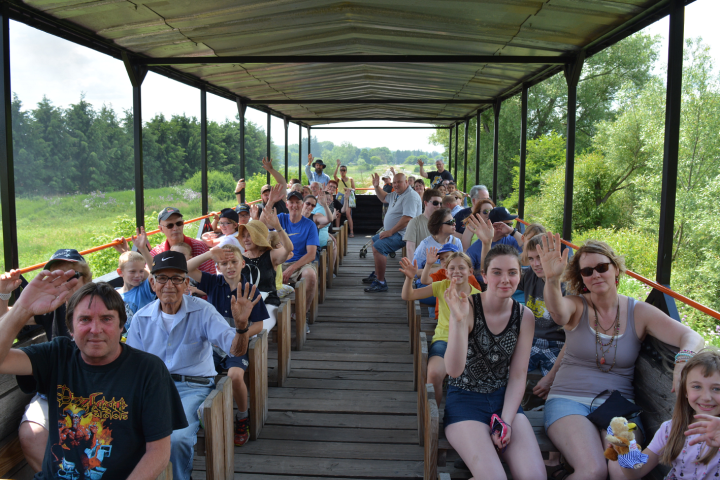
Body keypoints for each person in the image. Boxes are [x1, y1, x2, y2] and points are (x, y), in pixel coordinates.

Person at [537, 233, 705, 480]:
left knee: (625, 469)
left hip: (618, 409)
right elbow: (558, 313)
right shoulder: (576, 305)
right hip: (568, 401)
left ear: (615, 269)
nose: (595, 274)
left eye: (602, 267)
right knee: (593, 470)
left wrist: (683, 359)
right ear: (581, 278)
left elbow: (692, 337)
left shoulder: (639, 312)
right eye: (587, 271)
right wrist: (551, 281)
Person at [0, 274, 187, 479]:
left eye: (106, 319)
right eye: (85, 319)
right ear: (70, 329)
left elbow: (158, 452)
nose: (95, 330)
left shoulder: (149, 371)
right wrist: (22, 309)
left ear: (121, 325)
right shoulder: (57, 355)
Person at [126, 251, 256, 480]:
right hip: (152, 389)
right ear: (152, 282)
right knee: (123, 431)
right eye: (162, 278)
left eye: (176, 278)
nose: (169, 285)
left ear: (186, 283)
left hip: (192, 388)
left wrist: (242, 326)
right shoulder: (141, 318)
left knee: (176, 438)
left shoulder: (203, 311)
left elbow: (235, 350)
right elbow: (133, 366)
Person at [442, 243, 545, 479]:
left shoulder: (524, 316)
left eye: (512, 272)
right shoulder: (467, 306)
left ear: (520, 275)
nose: (505, 279)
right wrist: (458, 323)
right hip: (466, 401)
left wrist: (506, 422)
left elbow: (518, 375)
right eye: (497, 272)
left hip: (504, 400)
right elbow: (453, 370)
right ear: (485, 276)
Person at [0, 249, 93, 471]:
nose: (64, 282)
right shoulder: (52, 308)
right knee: (31, 436)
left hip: (95, 391)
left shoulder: (101, 304)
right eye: (55, 276)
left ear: (86, 279)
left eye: (71, 276)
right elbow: (5, 320)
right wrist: (4, 295)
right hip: (56, 389)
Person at [185, 244, 270, 447]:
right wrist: (209, 253)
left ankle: (242, 416)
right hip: (213, 345)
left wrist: (239, 335)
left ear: (242, 264)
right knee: (194, 371)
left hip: (237, 346)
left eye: (233, 262)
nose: (229, 266)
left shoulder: (251, 290)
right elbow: (185, 268)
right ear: (217, 267)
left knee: (234, 376)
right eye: (224, 263)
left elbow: (258, 324)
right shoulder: (213, 282)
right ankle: (202, 413)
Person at [609, 349, 720, 479]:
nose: (706, 397)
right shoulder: (670, 429)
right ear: (685, 391)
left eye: (717, 388)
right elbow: (637, 472)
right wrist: (625, 453)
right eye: (696, 387)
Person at [517, 233, 566, 400]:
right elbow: (498, 274)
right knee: (504, 372)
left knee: (559, 388)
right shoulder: (530, 274)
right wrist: (487, 243)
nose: (536, 264)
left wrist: (552, 377)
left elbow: (573, 334)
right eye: (531, 259)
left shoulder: (567, 283)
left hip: (559, 344)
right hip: (530, 340)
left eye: (540, 257)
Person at [261, 187, 319, 315]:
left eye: (298, 202)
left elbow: (311, 254)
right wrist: (270, 202)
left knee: (310, 276)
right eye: (291, 202)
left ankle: (302, 315)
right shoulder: (280, 218)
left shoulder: (310, 225)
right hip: (279, 261)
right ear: (287, 205)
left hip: (300, 263)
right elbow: (261, 226)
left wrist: (292, 268)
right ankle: (269, 313)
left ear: (302, 205)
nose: (294, 205)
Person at [363, 172, 422, 293]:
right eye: (394, 182)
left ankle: (381, 283)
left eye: (399, 182)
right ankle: (378, 274)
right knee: (374, 242)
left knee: (379, 247)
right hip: (396, 232)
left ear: (406, 182)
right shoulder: (396, 194)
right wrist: (376, 186)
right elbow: (384, 197)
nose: (396, 184)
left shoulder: (410, 196)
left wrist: (390, 232)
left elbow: (407, 219)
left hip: (405, 234)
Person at [150, 207, 216, 274]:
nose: (175, 228)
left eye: (179, 223)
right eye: (170, 225)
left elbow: (212, 281)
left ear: (183, 223)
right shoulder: (156, 253)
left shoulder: (200, 248)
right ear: (161, 229)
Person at [466, 207, 523, 281]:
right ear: (496, 226)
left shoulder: (512, 238)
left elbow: (529, 248)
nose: (511, 227)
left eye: (512, 224)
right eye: (509, 224)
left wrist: (513, 231)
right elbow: (468, 275)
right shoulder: (474, 249)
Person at [403, 189, 442, 260]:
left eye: (440, 203)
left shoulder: (444, 222)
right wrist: (415, 268)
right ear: (426, 203)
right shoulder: (414, 222)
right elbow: (410, 248)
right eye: (435, 203)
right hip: (422, 266)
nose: (439, 206)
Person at [333, 160, 356, 237]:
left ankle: (351, 231)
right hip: (339, 197)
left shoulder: (350, 179)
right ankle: (337, 231)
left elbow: (354, 188)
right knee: (338, 214)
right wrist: (337, 166)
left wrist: (348, 189)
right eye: (341, 170)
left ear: (346, 171)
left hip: (347, 196)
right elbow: (334, 175)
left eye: (344, 170)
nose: (342, 171)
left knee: (348, 214)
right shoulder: (338, 180)